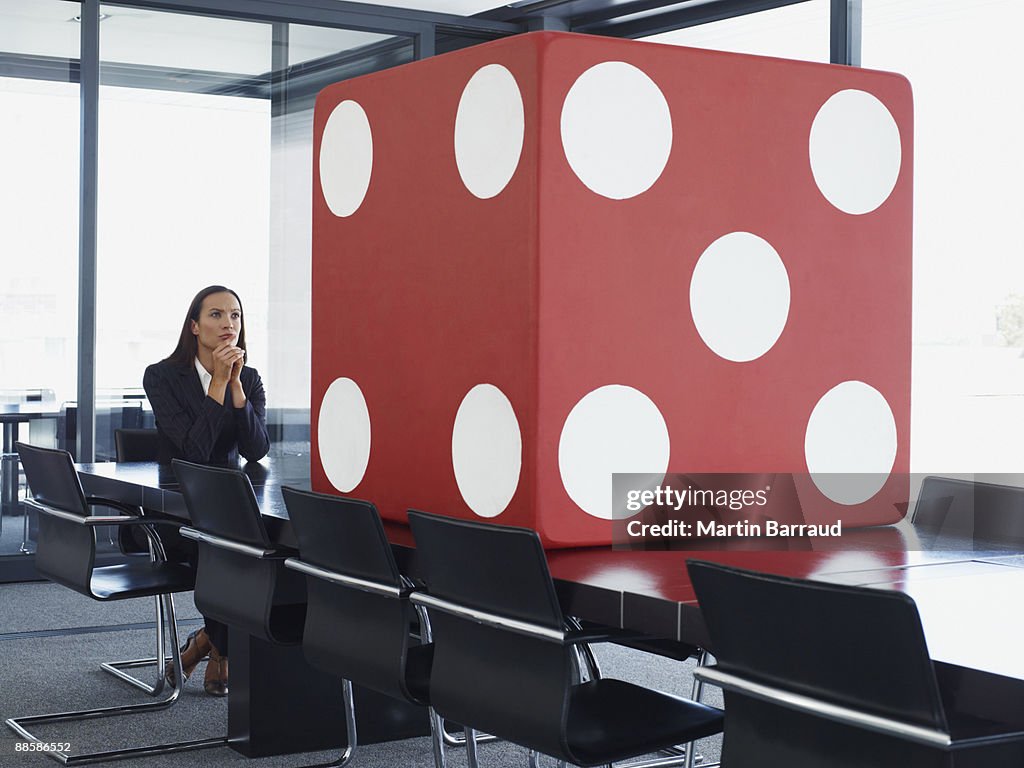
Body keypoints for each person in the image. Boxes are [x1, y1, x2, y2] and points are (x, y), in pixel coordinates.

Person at [143, 285, 270, 696]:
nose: (228, 324)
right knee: (225, 558)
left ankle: (207, 643)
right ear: (195, 326)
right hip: (175, 514)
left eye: (235, 316)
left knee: (259, 557)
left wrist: (235, 388)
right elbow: (193, 451)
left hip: (230, 506)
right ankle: (221, 650)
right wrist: (216, 380)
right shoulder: (161, 376)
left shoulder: (249, 378)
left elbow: (256, 450)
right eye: (216, 315)